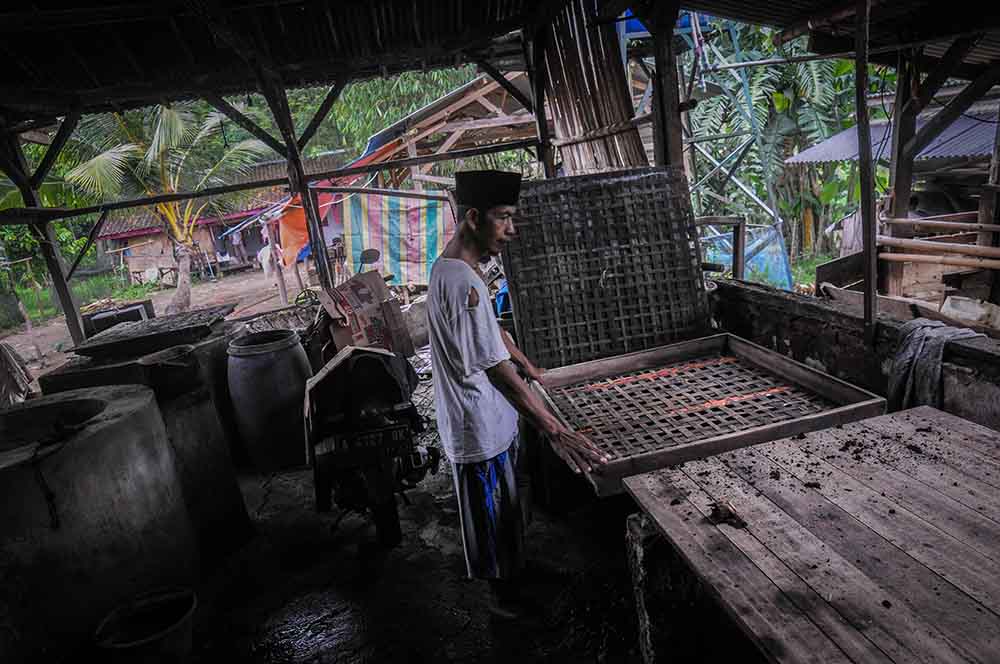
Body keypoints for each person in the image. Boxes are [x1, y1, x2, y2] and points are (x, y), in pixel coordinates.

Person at [427, 170, 608, 618]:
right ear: (473, 218)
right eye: (504, 218)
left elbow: (494, 333)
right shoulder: (462, 284)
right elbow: (494, 369)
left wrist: (532, 368)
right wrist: (555, 430)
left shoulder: (454, 269)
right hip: (478, 424)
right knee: (491, 521)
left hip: (487, 420)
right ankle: (506, 604)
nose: (513, 229)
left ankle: (516, 575)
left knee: (507, 513)